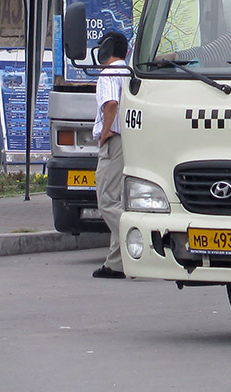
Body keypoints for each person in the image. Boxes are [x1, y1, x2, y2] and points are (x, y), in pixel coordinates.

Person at [92, 30, 129, 279]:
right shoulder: (129, 71)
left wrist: (105, 132)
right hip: (130, 140)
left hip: (114, 140)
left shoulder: (110, 72)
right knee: (120, 200)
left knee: (106, 201)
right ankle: (116, 263)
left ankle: (137, 242)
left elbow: (111, 104)